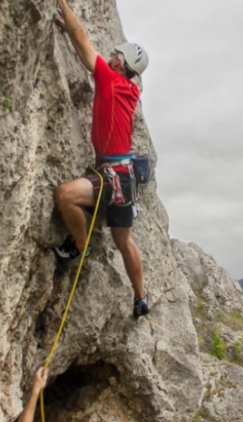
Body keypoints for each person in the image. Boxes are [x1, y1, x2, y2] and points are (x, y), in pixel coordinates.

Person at [51, 0, 150, 318]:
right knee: (125, 241)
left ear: (121, 64)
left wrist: (64, 8)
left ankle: (80, 246)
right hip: (127, 177)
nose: (112, 55)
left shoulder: (111, 79)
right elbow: (82, 46)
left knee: (65, 195)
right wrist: (69, 33)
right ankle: (140, 298)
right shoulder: (128, 89)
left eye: (116, 54)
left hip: (112, 175)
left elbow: (83, 42)